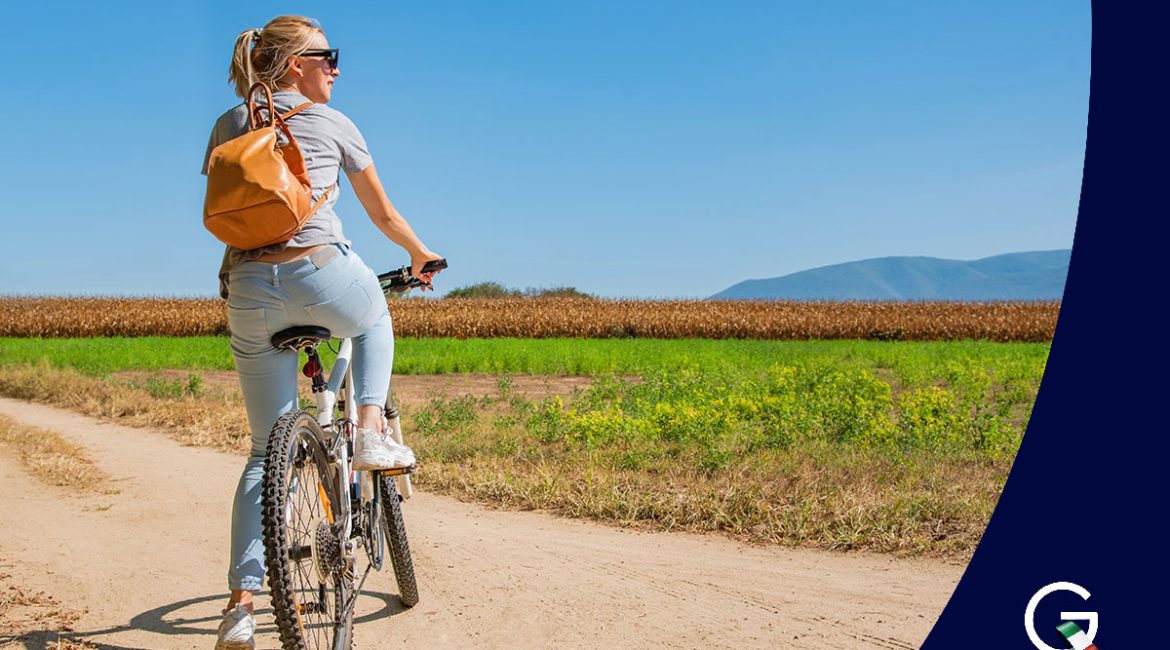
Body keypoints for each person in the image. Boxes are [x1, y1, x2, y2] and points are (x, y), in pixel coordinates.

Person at [201, 15, 442, 650]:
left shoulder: (227, 125)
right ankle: (367, 434)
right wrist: (421, 254)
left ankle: (241, 607)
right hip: (320, 274)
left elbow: (231, 215)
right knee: (374, 319)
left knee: (261, 454)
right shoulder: (332, 123)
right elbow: (383, 213)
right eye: (326, 55)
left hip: (248, 292)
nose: (336, 67)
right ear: (290, 66)